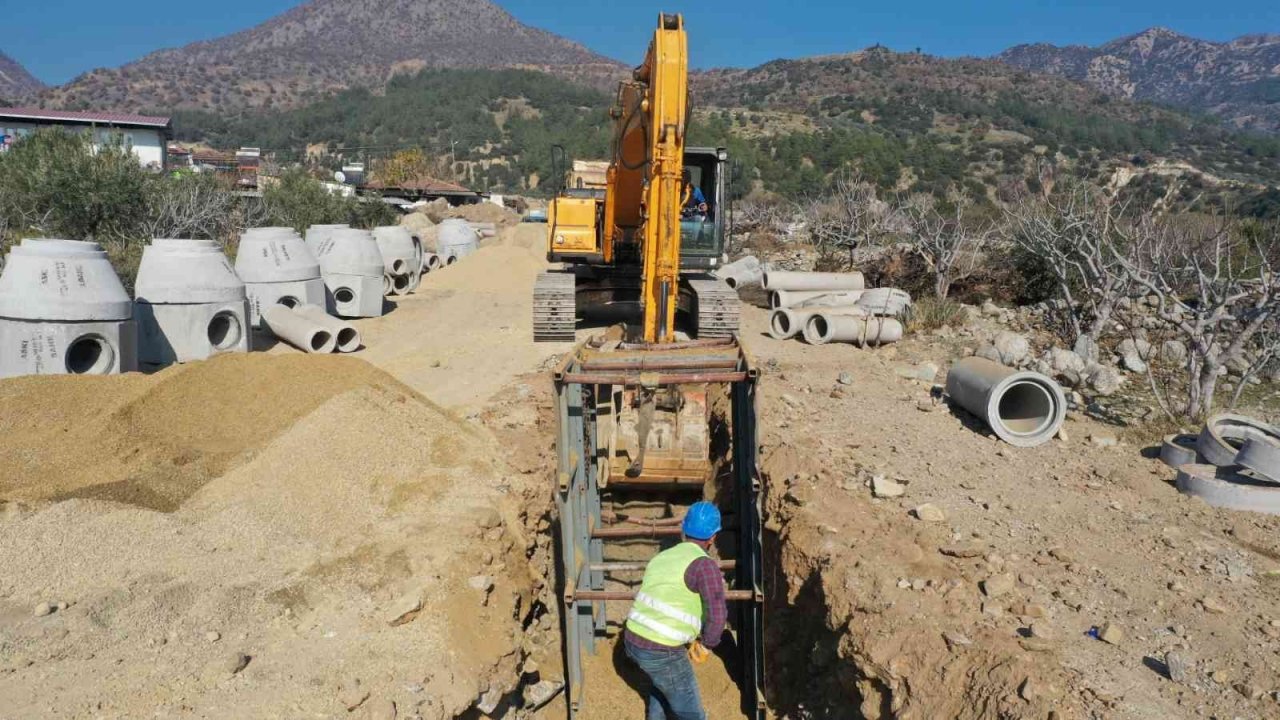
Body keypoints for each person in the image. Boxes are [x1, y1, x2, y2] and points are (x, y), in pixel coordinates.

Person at [624, 501, 726, 720]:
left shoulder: (662, 558)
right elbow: (717, 616)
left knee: (661, 685)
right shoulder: (704, 566)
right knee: (692, 713)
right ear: (713, 537)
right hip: (661, 649)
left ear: (684, 529)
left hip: (633, 640)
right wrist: (706, 644)